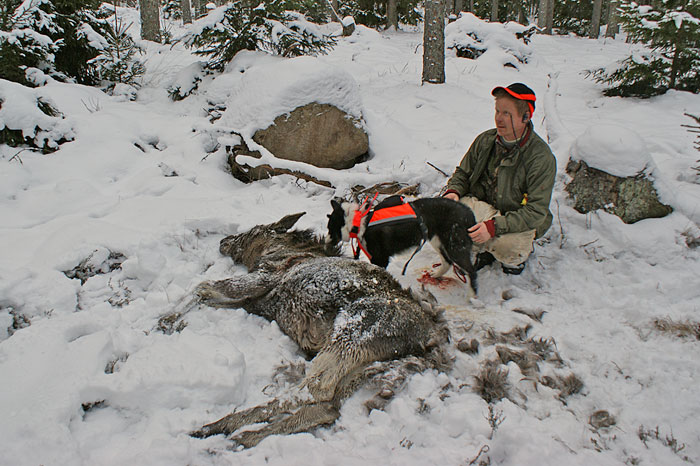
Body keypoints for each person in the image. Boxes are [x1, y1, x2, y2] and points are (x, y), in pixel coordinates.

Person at [442, 83, 556, 275]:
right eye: (497, 111)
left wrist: (494, 227)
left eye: (507, 113)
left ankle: (513, 260)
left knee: (508, 246)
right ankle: (482, 247)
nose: (499, 119)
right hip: (484, 209)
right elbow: (462, 174)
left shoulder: (541, 158)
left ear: (526, 117)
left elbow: (536, 212)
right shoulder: (485, 140)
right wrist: (453, 192)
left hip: (516, 220)